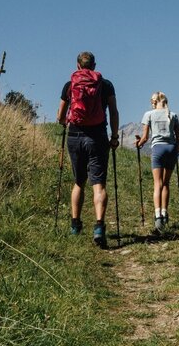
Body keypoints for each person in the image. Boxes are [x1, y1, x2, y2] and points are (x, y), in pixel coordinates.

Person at [56, 51, 119, 248]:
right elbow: (114, 111)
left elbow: (60, 116)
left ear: (77, 66)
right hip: (98, 137)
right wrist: (114, 136)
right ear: (94, 66)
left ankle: (75, 225)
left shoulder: (69, 85)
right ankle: (99, 226)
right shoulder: (106, 85)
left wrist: (63, 122)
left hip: (75, 136)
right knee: (98, 184)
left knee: (78, 182)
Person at [134, 92, 179, 234]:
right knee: (166, 183)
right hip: (171, 149)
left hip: (158, 149)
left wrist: (139, 143)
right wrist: (176, 150)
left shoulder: (148, 115)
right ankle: (165, 214)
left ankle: (158, 216)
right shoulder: (173, 115)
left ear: (154, 102)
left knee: (157, 184)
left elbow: (145, 137)